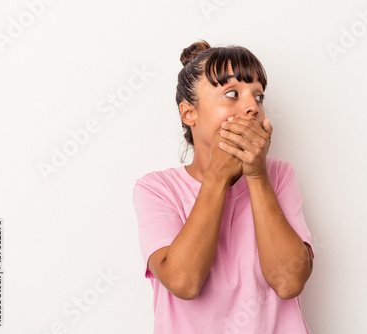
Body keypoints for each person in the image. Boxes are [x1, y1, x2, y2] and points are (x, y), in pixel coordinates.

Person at [133, 39, 315, 333]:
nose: (252, 107)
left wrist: (256, 176)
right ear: (188, 113)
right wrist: (218, 175)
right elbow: (184, 282)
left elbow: (288, 282)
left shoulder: (279, 176)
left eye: (258, 96)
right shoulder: (156, 189)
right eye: (232, 94)